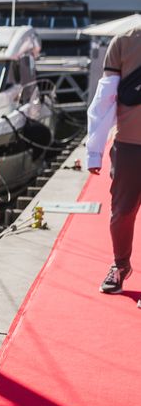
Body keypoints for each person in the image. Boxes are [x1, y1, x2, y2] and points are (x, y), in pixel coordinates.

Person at [86, 25, 141, 293]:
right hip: (129, 144)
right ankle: (121, 265)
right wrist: (94, 150)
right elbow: (105, 97)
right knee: (122, 213)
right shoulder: (125, 41)